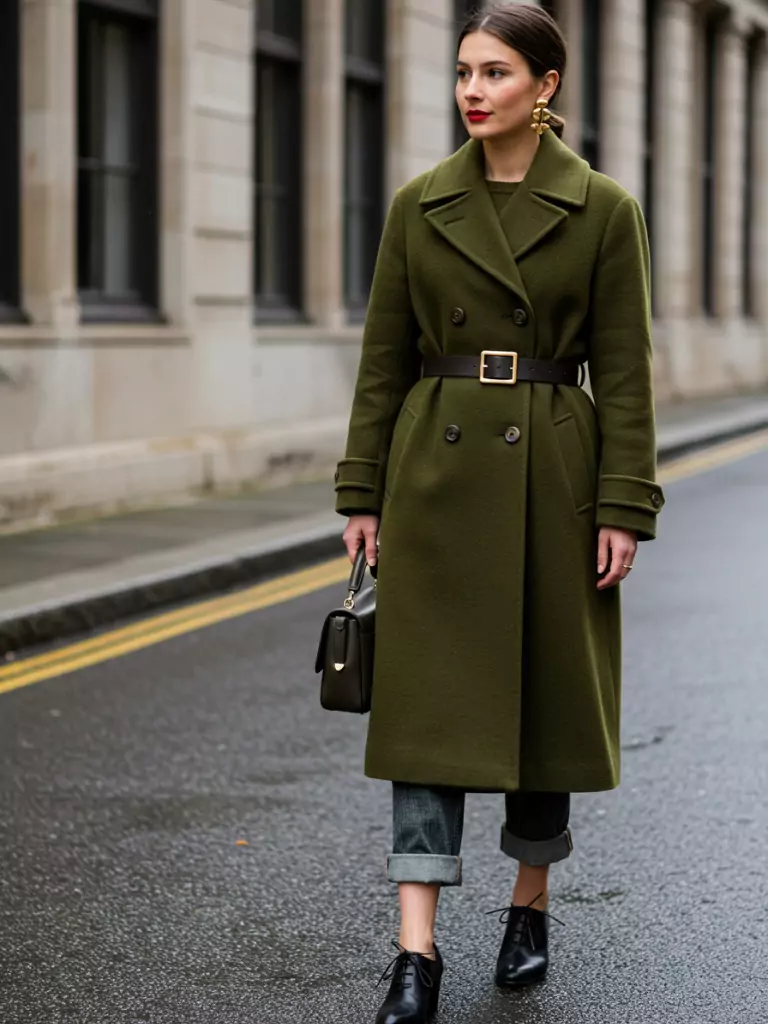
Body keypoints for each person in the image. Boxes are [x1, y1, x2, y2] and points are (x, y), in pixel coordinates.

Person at [334, 5, 665, 1021]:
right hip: (435, 475)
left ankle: (529, 903)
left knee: (541, 705)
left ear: (547, 86)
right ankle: (415, 954)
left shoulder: (604, 208)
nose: (474, 91)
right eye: (465, 72)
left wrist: (623, 503)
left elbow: (625, 370)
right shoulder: (419, 204)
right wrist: (361, 489)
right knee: (426, 718)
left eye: (498, 73)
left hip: (550, 472)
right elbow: (383, 358)